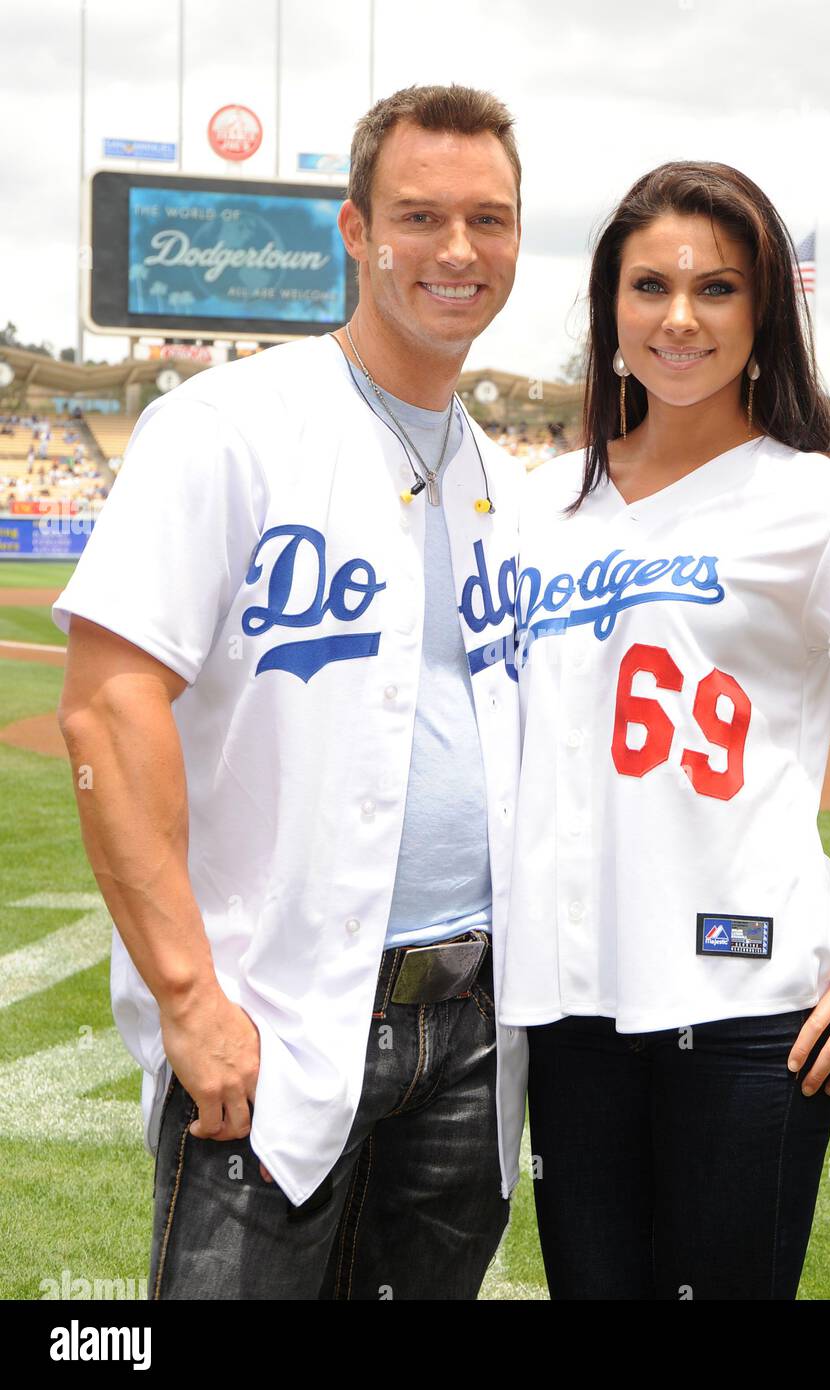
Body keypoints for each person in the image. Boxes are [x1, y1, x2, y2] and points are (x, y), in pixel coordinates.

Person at [54, 83, 528, 1300]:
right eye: (420, 216)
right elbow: (109, 707)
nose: (458, 251)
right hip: (276, 1021)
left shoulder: (503, 478)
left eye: (491, 218)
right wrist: (189, 1000)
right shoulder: (227, 425)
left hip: (473, 1040)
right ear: (356, 232)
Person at [497, 161, 830, 1300]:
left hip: (747, 1002)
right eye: (648, 285)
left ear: (762, 312)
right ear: (607, 307)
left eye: (716, 288)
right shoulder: (536, 507)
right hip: (569, 1005)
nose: (679, 317)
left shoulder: (819, 505)